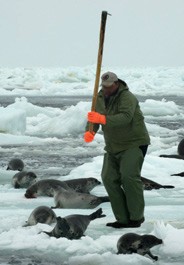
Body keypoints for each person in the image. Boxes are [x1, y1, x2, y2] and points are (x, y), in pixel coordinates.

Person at [84, 71, 150, 228]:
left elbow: (125, 117)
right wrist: (90, 130)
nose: (106, 89)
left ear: (116, 84)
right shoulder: (99, 97)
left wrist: (103, 119)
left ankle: (136, 217)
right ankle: (122, 219)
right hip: (113, 146)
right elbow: (94, 117)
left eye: (109, 86)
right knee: (108, 178)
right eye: (104, 86)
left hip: (133, 144)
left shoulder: (127, 97)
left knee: (128, 177)